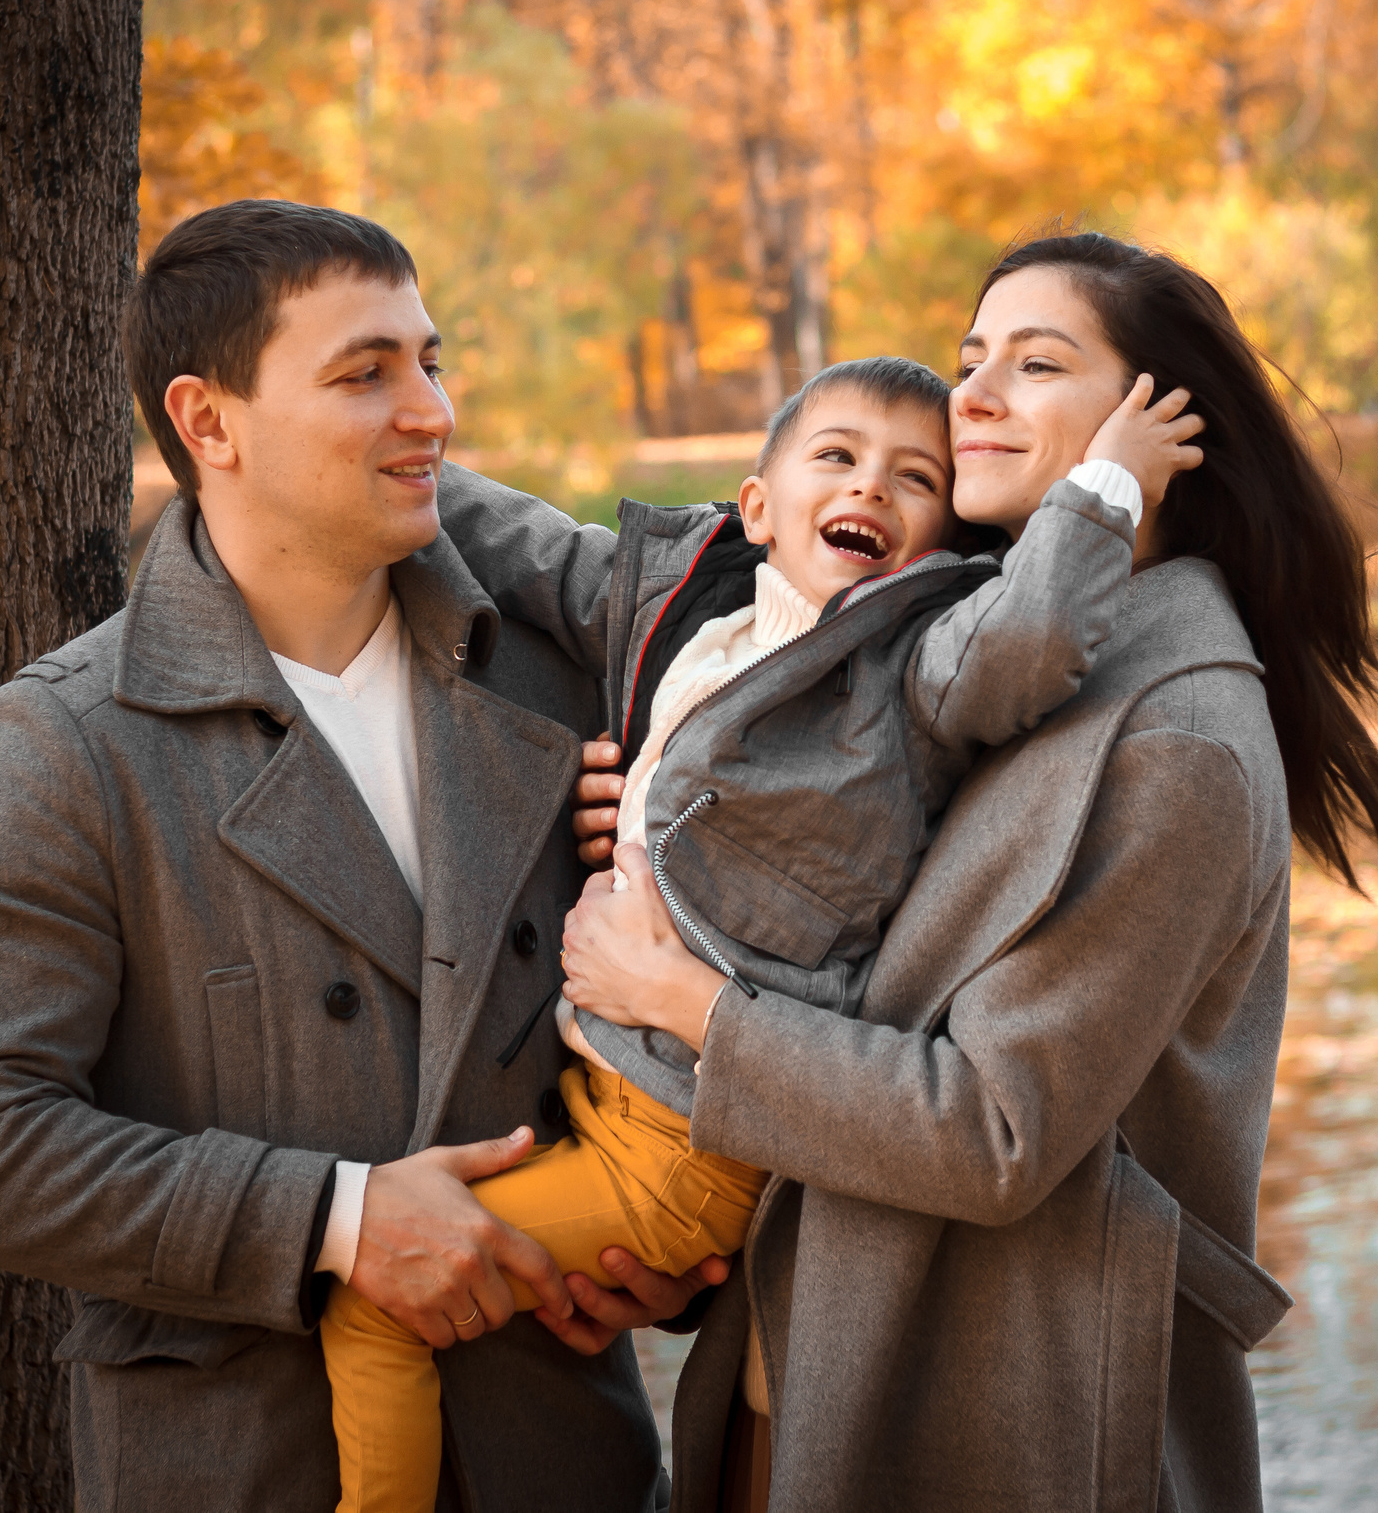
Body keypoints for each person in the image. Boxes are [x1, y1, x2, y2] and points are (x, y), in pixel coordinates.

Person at [558, 232, 1378, 1512]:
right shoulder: (975, 656)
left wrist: (677, 1000)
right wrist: (661, 825)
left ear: (1157, 422)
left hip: (1001, 1425)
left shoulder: (1175, 744)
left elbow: (993, 1131)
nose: (969, 395)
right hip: (798, 1372)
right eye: (972, 359)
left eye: (1034, 364)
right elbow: (854, 957)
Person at [0, 200, 720, 1513]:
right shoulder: (69, 741)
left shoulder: (564, 688)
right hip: (247, 1463)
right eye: (365, 373)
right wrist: (336, 1217)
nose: (433, 412)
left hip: (558, 1455)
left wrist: (663, 1245)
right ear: (209, 422)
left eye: (430, 361)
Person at [330, 356, 1201, 1511]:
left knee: (371, 1304)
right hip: (600, 1096)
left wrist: (1104, 489)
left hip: (688, 1131)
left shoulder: (910, 670)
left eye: (914, 478)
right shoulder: (694, 610)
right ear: (757, 506)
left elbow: (1029, 644)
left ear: (944, 542)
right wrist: (361, 455)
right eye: (835, 459)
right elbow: (520, 542)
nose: (870, 489)